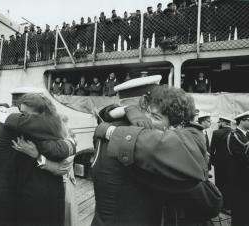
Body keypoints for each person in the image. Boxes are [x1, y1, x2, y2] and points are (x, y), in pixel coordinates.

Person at [92, 76, 222, 226]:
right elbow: (210, 203)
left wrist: (113, 112)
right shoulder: (142, 145)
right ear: (144, 102)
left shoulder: (108, 127)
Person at [0, 100, 75, 226]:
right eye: (21, 112)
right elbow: (57, 151)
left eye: (24, 113)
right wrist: (71, 143)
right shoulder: (20, 128)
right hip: (3, 194)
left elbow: (58, 154)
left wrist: (70, 142)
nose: (22, 116)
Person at [227, 111, 249, 226]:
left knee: (247, 201)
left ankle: (245, 222)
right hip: (239, 176)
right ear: (242, 121)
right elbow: (241, 156)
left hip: (248, 176)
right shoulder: (235, 135)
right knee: (238, 203)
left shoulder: (248, 134)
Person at [210, 115, 233, 209]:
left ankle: (221, 204)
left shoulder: (216, 133)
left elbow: (211, 150)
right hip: (232, 163)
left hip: (219, 163)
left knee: (220, 183)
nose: (218, 124)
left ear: (223, 122)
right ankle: (230, 204)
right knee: (231, 182)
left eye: (219, 122)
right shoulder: (234, 132)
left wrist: (212, 161)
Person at [198, 113, 212, 177]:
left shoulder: (204, 131)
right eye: (208, 121)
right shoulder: (198, 131)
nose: (210, 123)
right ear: (203, 121)